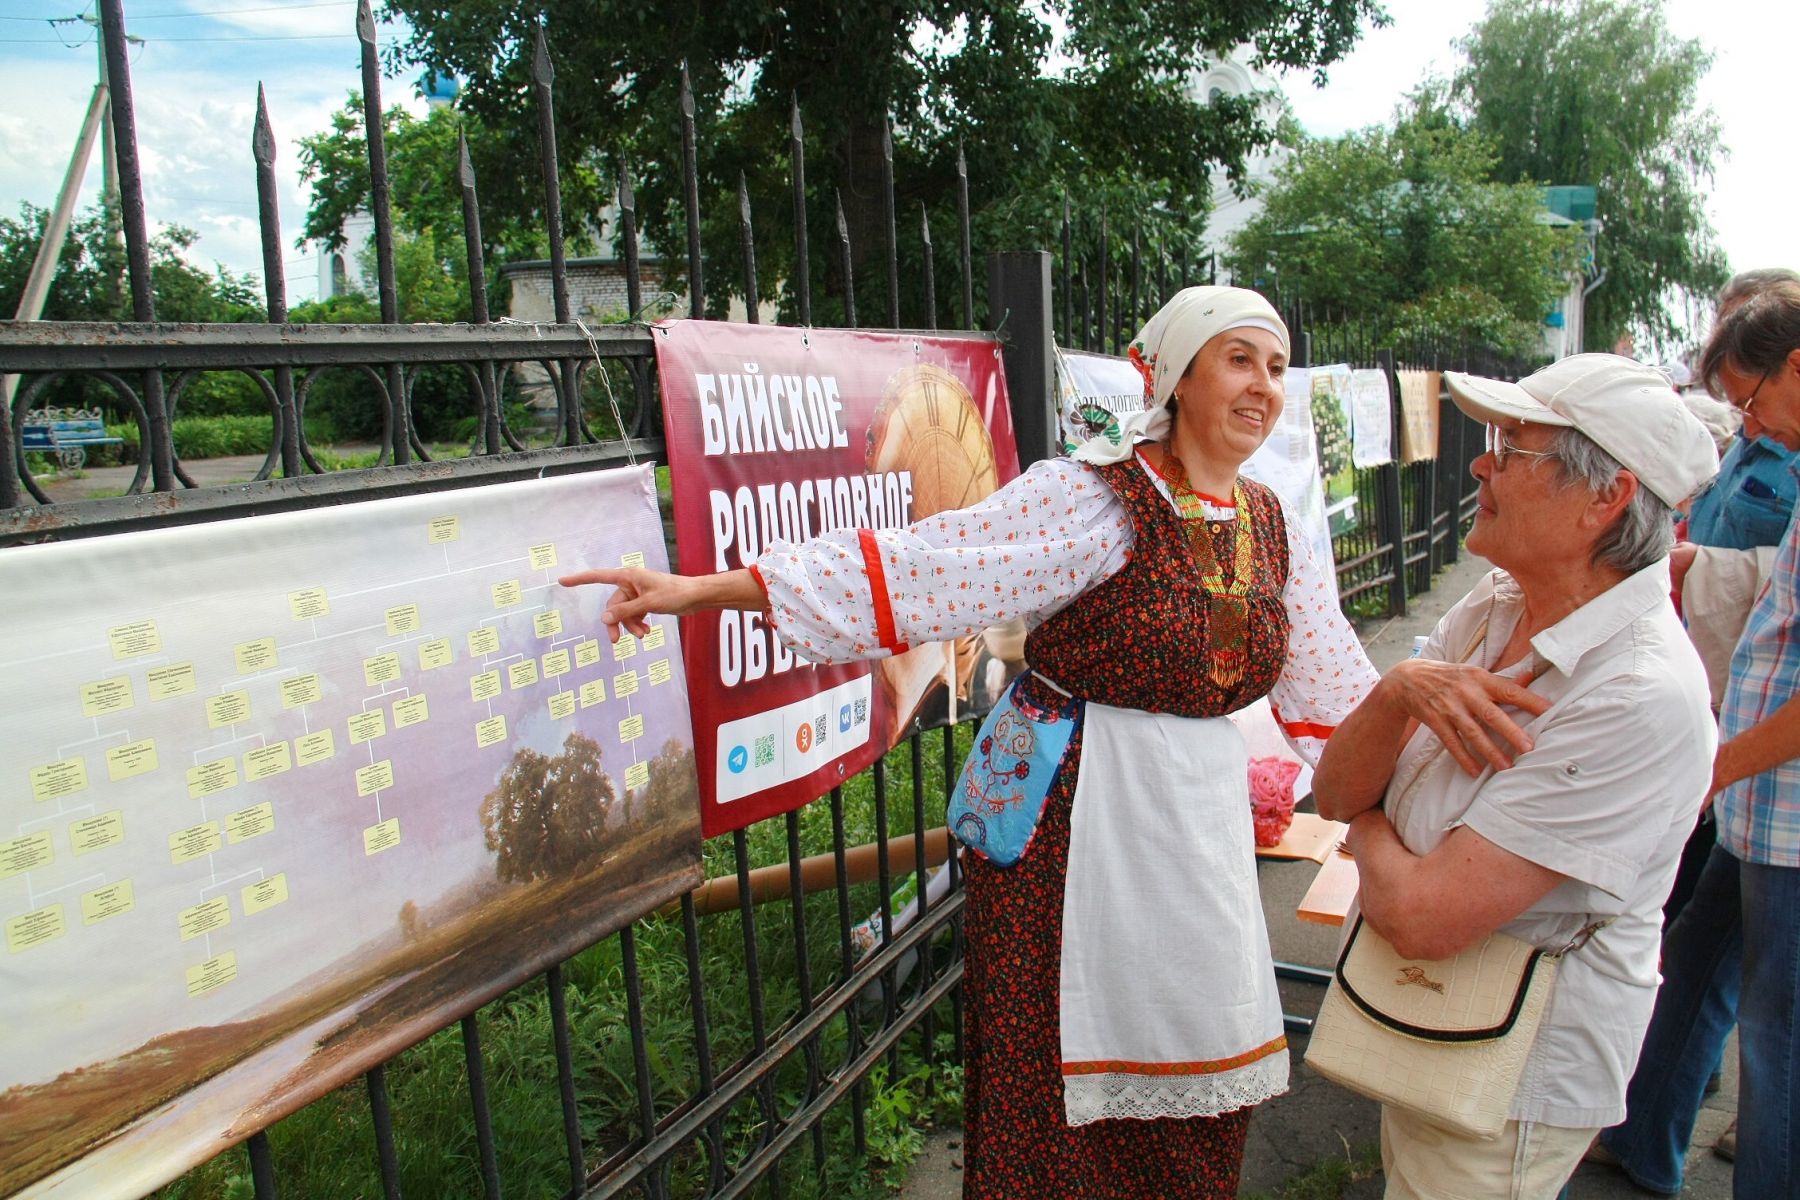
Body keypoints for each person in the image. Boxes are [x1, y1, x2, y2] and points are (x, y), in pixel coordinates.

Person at [561, 286, 1379, 1198]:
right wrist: (701, 591)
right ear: (1181, 377)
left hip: (1196, 836)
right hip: (1076, 832)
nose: (1263, 385)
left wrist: (1434, 773)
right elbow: (922, 569)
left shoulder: (1274, 529)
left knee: (1198, 1064)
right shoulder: (1095, 500)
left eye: (1275, 365)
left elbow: (1341, 696)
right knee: (1062, 1089)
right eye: (1238, 360)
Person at [1312, 354, 1720, 1199]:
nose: (1480, 462)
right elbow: (1333, 790)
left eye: (1512, 446)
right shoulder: (1499, 601)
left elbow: (1422, 916)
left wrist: (1367, 824)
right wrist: (1397, 695)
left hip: (1510, 1074)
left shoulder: (1638, 694)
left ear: (1607, 498)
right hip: (1432, 1024)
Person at [1596, 278, 1800, 1197]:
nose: (1749, 428)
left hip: (1780, 807)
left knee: (1778, 1039)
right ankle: (1641, 1141)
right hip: (1756, 799)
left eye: (1753, 402)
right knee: (1697, 963)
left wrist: (1706, 769)